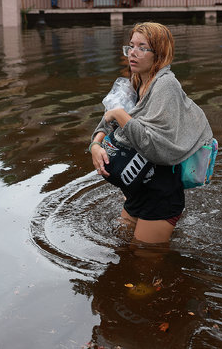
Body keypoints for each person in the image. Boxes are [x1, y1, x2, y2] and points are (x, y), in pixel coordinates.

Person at [89, 22, 213, 244]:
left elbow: (155, 146)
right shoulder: (136, 81)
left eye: (142, 47)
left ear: (159, 54)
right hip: (137, 186)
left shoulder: (166, 85)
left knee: (145, 259)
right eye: (131, 46)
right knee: (123, 243)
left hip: (160, 192)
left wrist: (120, 115)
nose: (132, 53)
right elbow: (105, 122)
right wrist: (95, 146)